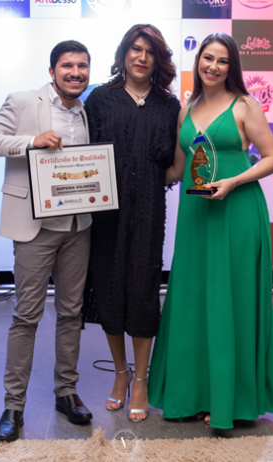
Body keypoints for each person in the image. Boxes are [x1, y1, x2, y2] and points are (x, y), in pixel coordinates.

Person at [148, 33, 273, 428]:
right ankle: (193, 395)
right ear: (198, 61)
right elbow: (176, 168)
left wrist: (234, 181)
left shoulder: (245, 106)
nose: (213, 66)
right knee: (193, 300)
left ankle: (229, 402)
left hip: (237, 212)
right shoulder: (185, 109)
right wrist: (131, 174)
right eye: (208, 58)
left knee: (231, 302)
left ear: (231, 66)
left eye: (222, 61)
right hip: (196, 215)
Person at [0, 40, 93, 442]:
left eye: (82, 66)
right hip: (34, 227)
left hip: (77, 226)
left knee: (71, 314)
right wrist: (30, 141)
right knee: (27, 317)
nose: (76, 73)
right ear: (52, 70)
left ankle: (66, 393)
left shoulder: (86, 111)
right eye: (67, 66)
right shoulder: (23, 101)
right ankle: (13, 406)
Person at [82, 24, 180, 422]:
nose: (142, 57)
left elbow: (174, 168)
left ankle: (141, 379)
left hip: (149, 213)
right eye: (135, 49)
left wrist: (148, 181)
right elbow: (82, 156)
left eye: (150, 51)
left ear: (158, 60)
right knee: (109, 291)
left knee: (142, 292)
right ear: (123, 53)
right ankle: (120, 374)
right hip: (106, 214)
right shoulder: (100, 99)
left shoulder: (169, 106)